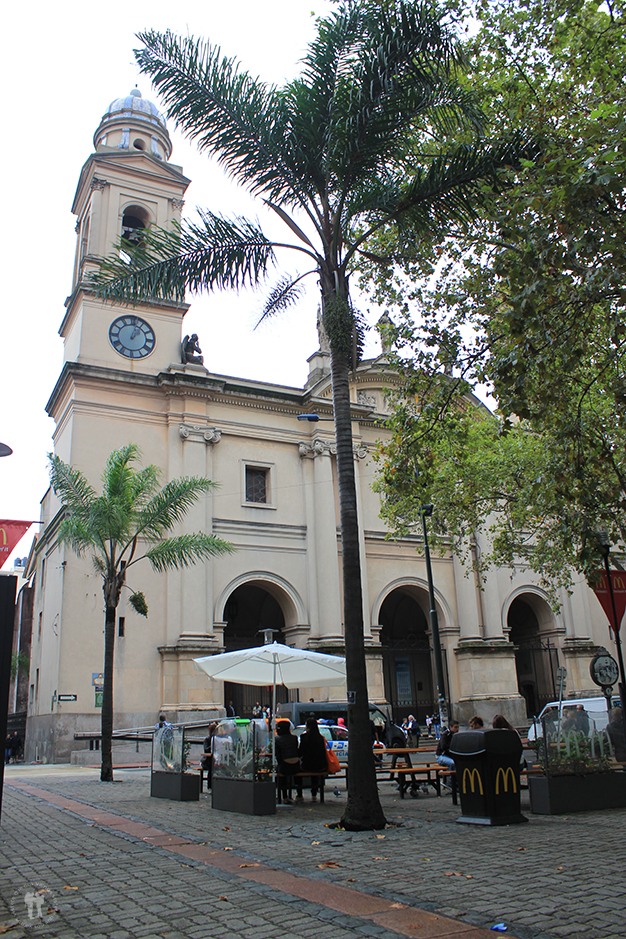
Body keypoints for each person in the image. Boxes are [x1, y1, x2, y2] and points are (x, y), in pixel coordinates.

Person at [298, 717, 328, 801]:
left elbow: (300, 752)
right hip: (320, 765)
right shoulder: (320, 738)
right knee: (315, 771)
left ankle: (299, 794)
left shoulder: (304, 737)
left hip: (307, 766)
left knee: (298, 771)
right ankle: (314, 794)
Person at [274, 720, 302, 803]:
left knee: (281, 776)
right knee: (297, 776)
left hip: (284, 766)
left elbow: (278, 756)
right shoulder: (294, 738)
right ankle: (299, 794)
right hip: (296, 766)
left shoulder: (277, 739)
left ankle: (284, 796)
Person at [202, 723, 217, 789]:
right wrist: (213, 746)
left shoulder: (217, 739)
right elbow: (206, 750)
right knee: (211, 765)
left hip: (214, 759)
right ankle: (210, 785)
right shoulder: (207, 739)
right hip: (207, 761)